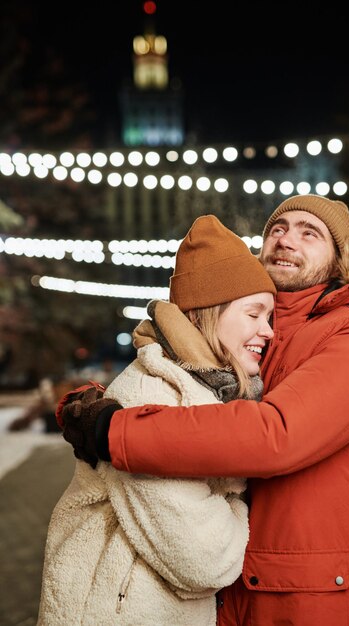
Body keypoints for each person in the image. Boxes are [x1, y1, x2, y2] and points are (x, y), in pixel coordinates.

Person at [57, 194, 349, 626]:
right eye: (277, 229)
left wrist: (114, 428)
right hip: (240, 591)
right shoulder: (262, 338)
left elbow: (275, 434)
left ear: (342, 260)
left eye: (309, 232)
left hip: (319, 597)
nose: (285, 240)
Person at [36, 215, 276, 626]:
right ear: (208, 313)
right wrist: (238, 504)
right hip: (116, 610)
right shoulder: (152, 394)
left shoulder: (206, 391)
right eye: (254, 315)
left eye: (269, 317)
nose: (268, 331)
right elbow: (205, 560)